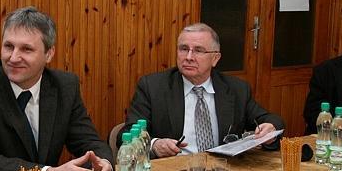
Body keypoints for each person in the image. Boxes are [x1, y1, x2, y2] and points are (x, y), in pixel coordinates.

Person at [0, 6, 113, 171]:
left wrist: (103, 163)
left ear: (49, 54)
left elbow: (88, 141)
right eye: (8, 46)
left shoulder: (64, 87)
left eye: (26, 49)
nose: (14, 57)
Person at [121, 23, 284, 158]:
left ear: (215, 58)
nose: (189, 57)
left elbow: (270, 119)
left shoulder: (236, 89)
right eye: (183, 49)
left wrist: (269, 129)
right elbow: (128, 133)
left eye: (198, 50)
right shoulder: (153, 87)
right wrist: (155, 145)